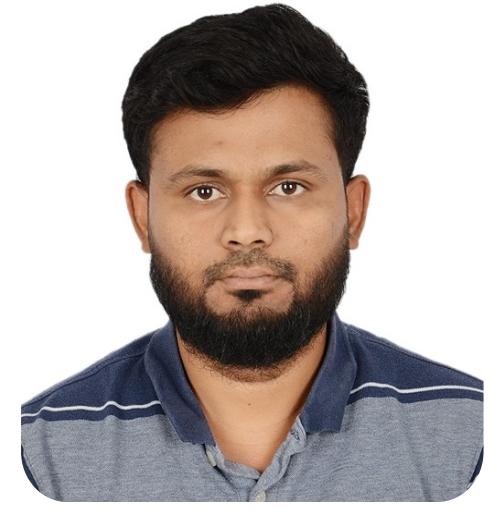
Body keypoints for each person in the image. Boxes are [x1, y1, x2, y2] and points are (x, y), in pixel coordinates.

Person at [21, 3, 483, 502]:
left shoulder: (472, 439)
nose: (246, 232)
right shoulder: (38, 457)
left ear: (354, 212)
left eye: (288, 187)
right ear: (142, 217)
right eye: (204, 191)